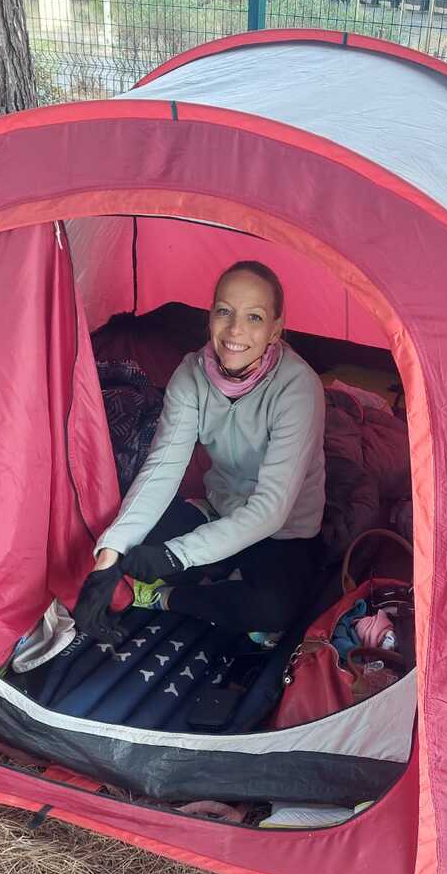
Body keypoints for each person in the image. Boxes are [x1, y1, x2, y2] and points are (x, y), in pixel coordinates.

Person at [73, 261, 326, 643]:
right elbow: (161, 469)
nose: (235, 330)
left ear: (275, 329)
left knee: (273, 610)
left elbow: (271, 511)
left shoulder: (298, 388)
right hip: (220, 509)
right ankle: (215, 573)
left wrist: (176, 556)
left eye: (254, 317)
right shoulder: (190, 375)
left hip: (284, 533)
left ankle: (167, 597)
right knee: (128, 539)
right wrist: (110, 553)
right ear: (210, 316)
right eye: (224, 312)